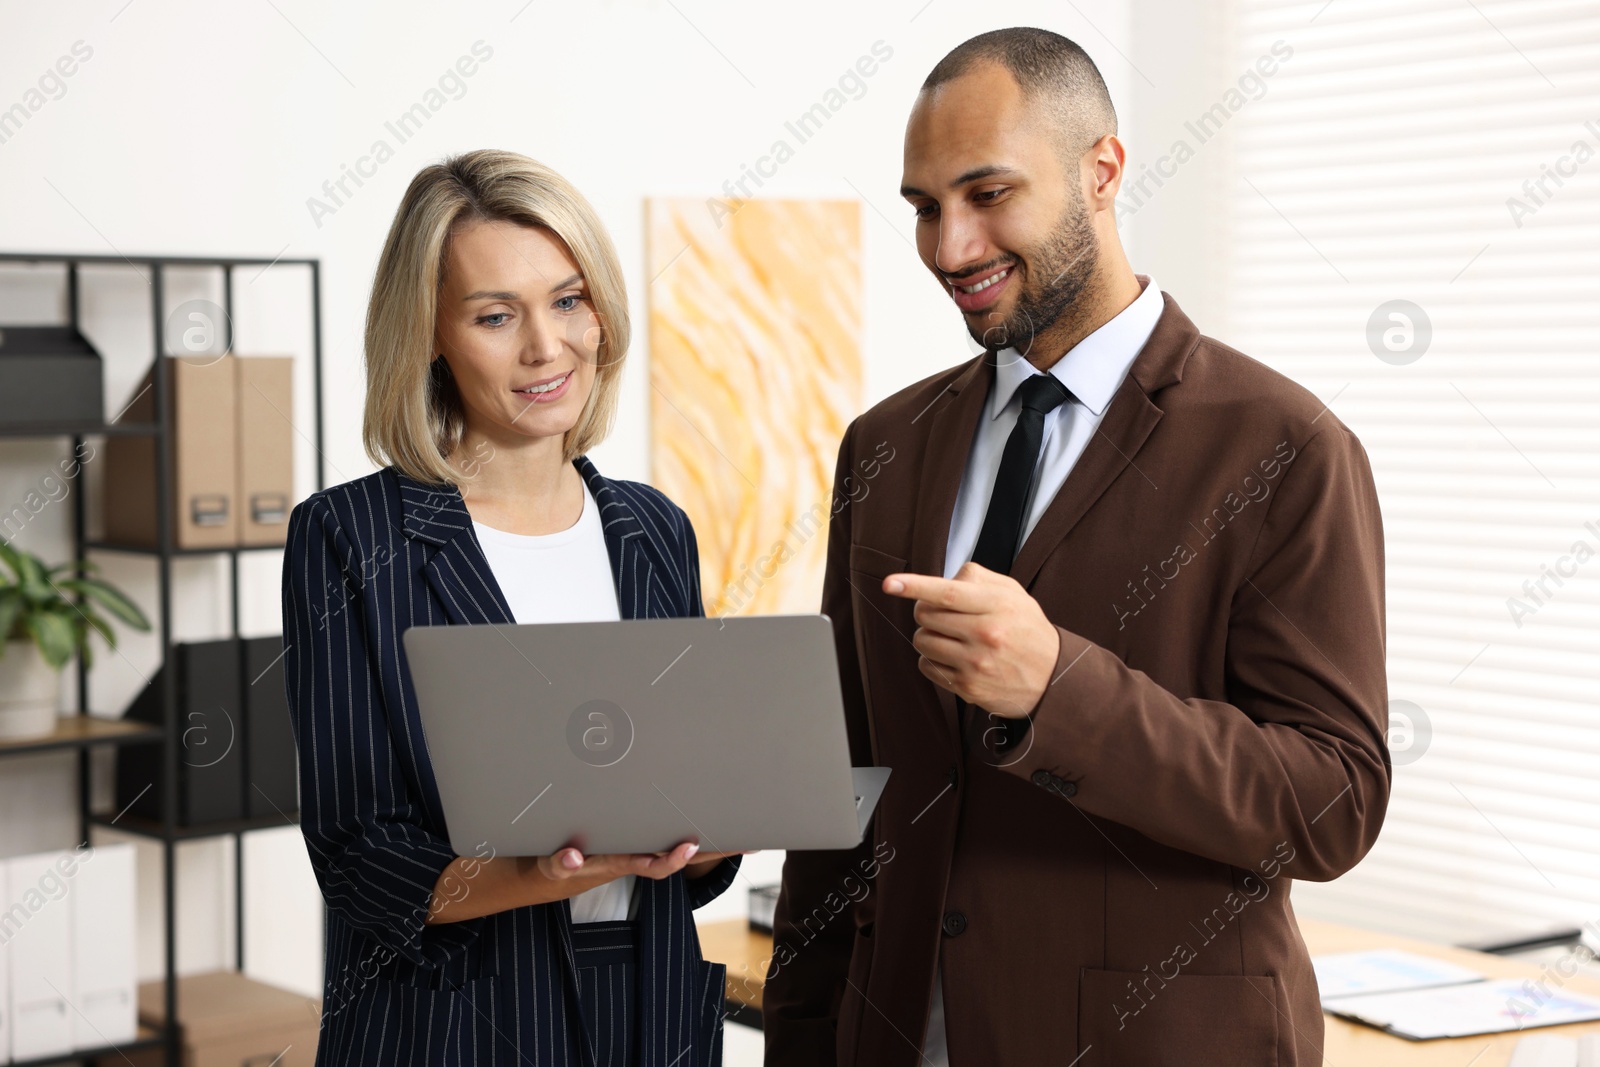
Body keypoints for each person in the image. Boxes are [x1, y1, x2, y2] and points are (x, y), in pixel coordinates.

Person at [764, 28, 1389, 1067]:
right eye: (923, 206)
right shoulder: (886, 443)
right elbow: (842, 787)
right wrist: (799, 1035)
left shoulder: (1284, 445)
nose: (949, 246)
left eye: (988, 193)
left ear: (1101, 171)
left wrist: (1062, 690)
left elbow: (1332, 801)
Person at [282, 149, 741, 1067]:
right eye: (497, 315)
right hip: (454, 1020)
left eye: (569, 300)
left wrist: (715, 827)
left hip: (646, 1009)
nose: (547, 346)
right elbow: (358, 856)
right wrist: (533, 873)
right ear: (431, 337)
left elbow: (687, 843)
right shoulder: (349, 536)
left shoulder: (655, 530)